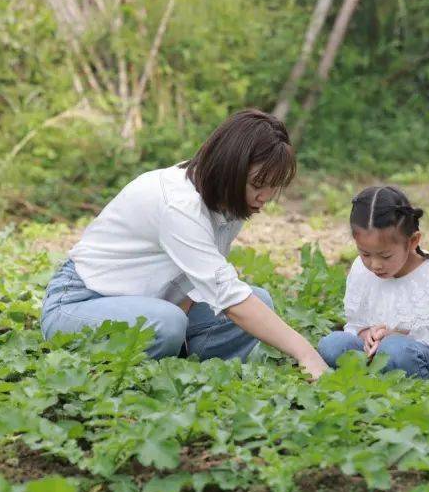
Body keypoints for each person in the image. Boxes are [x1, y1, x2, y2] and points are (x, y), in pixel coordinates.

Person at [40, 109, 329, 379]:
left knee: (258, 300)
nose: (265, 196)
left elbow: (201, 282)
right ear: (230, 170)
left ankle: (181, 367)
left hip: (149, 305)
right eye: (257, 184)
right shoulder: (179, 205)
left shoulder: (231, 203)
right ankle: (154, 365)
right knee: (167, 323)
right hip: (79, 304)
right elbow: (229, 298)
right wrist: (307, 354)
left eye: (273, 186)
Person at [317, 186, 429, 380]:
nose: (375, 265)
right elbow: (356, 323)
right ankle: (375, 374)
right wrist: (367, 334)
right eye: (365, 254)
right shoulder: (362, 269)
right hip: (376, 354)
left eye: (385, 255)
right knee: (332, 344)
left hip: (417, 356)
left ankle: (410, 381)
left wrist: (399, 334)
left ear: (412, 242)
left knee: (395, 349)